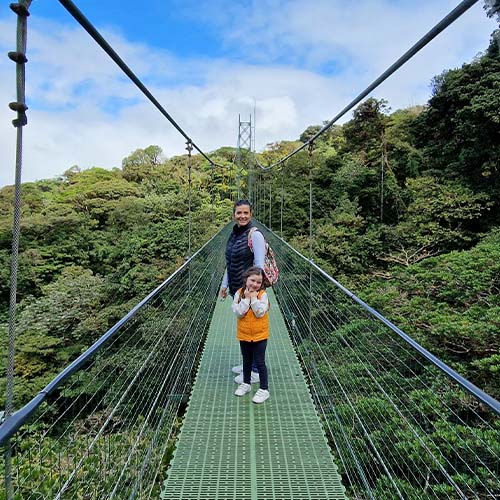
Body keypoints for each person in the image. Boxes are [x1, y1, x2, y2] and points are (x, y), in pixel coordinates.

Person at [220, 200, 266, 384]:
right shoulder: (233, 235)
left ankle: (254, 371)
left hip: (249, 291)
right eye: (239, 213)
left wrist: (252, 291)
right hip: (237, 289)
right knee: (245, 328)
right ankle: (248, 364)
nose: (242, 216)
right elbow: (230, 262)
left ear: (251, 214)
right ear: (234, 215)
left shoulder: (255, 235)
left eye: (246, 213)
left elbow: (259, 265)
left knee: (253, 329)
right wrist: (224, 285)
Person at [232, 267, 270, 403]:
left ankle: (264, 389)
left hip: (260, 335)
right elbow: (238, 312)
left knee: (260, 362)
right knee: (246, 361)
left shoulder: (263, 295)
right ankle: (246, 384)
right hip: (244, 334)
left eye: (258, 282)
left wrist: (253, 299)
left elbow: (260, 312)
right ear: (246, 279)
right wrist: (246, 299)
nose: (255, 284)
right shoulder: (239, 293)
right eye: (252, 280)